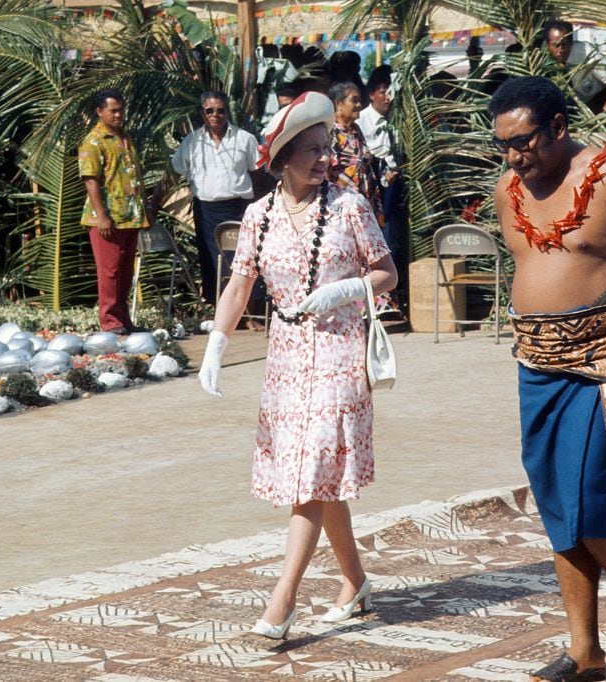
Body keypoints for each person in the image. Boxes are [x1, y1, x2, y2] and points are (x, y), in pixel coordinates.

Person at [490, 75, 606, 681]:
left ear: (559, 128)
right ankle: (584, 651)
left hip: (605, 358)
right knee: (555, 500)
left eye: (524, 142)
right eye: (504, 145)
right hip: (536, 364)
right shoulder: (507, 192)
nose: (515, 156)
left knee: (587, 491)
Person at [197, 91, 398, 638]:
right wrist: (216, 346)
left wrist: (346, 290)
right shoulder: (258, 216)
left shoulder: (349, 205)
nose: (323, 158)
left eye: (325, 147)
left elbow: (387, 273)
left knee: (311, 475)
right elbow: (239, 285)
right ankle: (354, 581)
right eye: (309, 150)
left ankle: (281, 601)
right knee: (319, 476)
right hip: (285, 361)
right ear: (282, 157)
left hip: (338, 356)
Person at [170, 91, 261, 310]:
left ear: (227, 112)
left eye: (220, 110)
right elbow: (176, 169)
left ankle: (247, 313)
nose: (215, 115)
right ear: (202, 114)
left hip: (239, 208)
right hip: (207, 210)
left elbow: (258, 173)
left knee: (243, 261)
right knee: (211, 261)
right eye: (210, 111)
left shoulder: (244, 139)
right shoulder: (192, 142)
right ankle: (217, 310)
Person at [78, 88, 153, 334]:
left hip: (129, 217)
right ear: (100, 112)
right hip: (107, 218)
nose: (119, 115)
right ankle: (110, 322)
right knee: (109, 272)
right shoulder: (94, 141)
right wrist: (101, 216)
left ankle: (123, 320)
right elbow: (91, 180)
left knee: (124, 272)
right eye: (113, 111)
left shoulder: (125, 138)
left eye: (121, 110)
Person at [357, 69, 405, 274]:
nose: (388, 98)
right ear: (371, 95)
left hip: (397, 184)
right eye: (383, 92)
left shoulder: (396, 120)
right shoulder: (362, 122)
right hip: (376, 188)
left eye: (390, 92)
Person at [327, 81, 384, 228]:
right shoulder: (331, 132)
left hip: (364, 204)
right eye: (354, 100)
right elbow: (326, 171)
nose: (359, 105)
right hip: (342, 207)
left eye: (359, 100)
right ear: (339, 104)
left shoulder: (355, 130)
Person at [543, 19, 606, 114]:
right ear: (547, 44)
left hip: (599, 99)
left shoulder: (585, 51)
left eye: (564, 44)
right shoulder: (543, 62)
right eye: (556, 45)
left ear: (571, 42)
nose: (560, 50)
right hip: (570, 109)